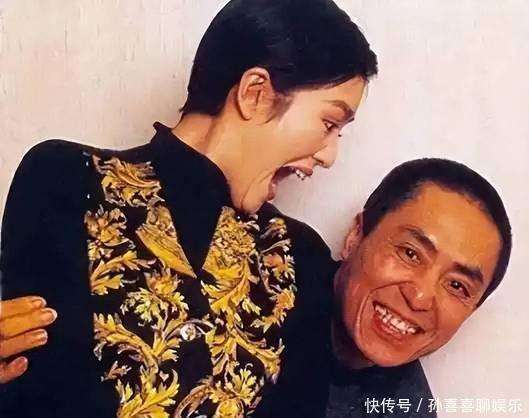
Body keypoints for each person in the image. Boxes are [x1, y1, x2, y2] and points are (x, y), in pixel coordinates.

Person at [0, 0, 378, 417]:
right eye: (329, 124)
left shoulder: (299, 256)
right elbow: (31, 387)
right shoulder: (68, 180)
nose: (329, 156)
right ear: (255, 93)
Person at [325, 158, 512, 417]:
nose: (420, 298)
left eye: (457, 285)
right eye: (410, 254)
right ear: (355, 237)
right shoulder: (274, 266)